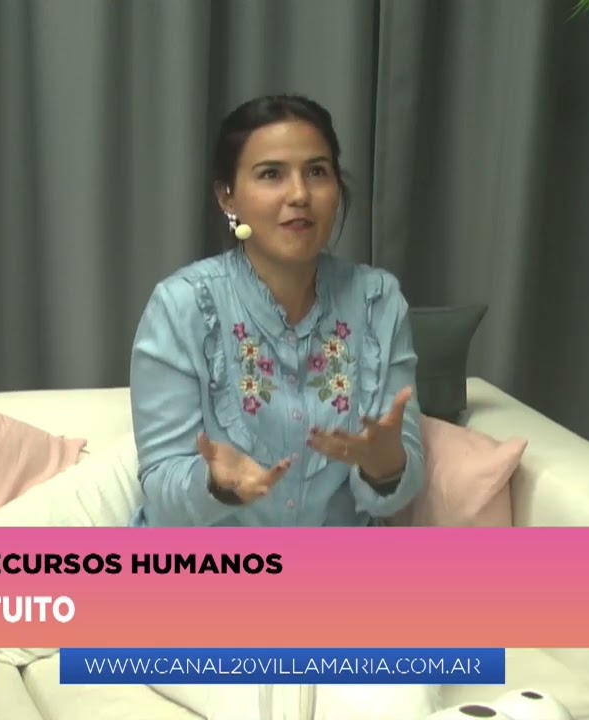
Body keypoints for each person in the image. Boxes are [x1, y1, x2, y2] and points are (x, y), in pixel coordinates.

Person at [127, 94, 438, 719]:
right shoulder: (182, 306)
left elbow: (393, 489)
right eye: (271, 174)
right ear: (228, 196)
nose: (299, 194)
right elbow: (162, 482)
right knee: (271, 702)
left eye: (316, 172)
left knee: (399, 703)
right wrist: (218, 486)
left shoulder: (378, 301)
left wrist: (384, 465)